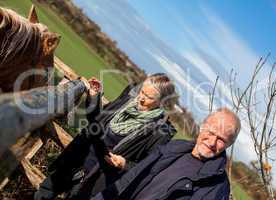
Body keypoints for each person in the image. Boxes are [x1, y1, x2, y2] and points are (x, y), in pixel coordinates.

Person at [35, 73, 178, 200]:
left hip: (95, 180)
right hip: (76, 158)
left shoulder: (160, 130)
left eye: (149, 97)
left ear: (161, 102)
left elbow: (146, 167)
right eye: (142, 92)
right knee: (44, 193)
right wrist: (94, 97)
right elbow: (97, 121)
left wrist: (124, 164)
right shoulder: (128, 98)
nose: (141, 98)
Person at [91, 108, 241, 200]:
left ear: (229, 144)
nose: (212, 141)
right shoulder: (173, 148)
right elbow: (130, 178)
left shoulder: (217, 187)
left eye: (221, 139)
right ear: (202, 127)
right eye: (211, 132)